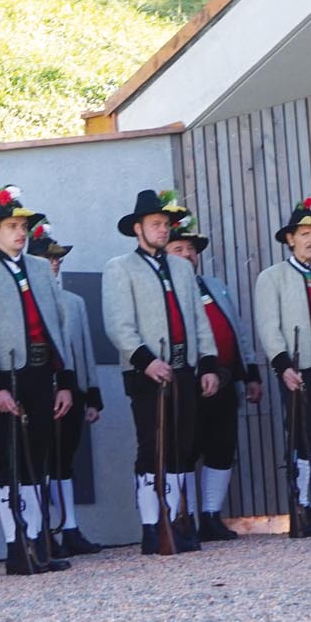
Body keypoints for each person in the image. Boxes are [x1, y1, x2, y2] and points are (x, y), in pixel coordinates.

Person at [0, 187, 75, 575]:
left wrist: (65, 380)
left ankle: (38, 539)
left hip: (43, 372)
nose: (20, 232)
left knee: (37, 458)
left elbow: (59, 325)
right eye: (12, 226)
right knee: (10, 457)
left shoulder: (41, 269)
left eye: (24, 226)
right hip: (8, 375)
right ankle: (15, 545)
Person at [101, 187, 220, 553]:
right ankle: (153, 526)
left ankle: (179, 519)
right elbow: (118, 324)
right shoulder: (120, 268)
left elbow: (199, 320)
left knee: (182, 447)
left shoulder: (182, 267)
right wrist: (146, 361)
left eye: (166, 224)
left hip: (184, 369)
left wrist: (208, 363)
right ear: (138, 228)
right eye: (155, 224)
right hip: (147, 372)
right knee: (153, 447)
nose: (163, 230)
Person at [252, 199, 311, 537]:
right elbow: (268, 326)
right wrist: (283, 366)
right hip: (299, 369)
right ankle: (303, 508)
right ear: (290, 239)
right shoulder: (272, 278)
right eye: (305, 233)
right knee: (301, 437)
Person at [167, 218, 262, 542]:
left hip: (223, 379)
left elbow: (238, 330)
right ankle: (186, 520)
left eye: (191, 249)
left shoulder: (215, 286)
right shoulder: (165, 291)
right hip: (187, 381)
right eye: (178, 248)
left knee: (222, 447)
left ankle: (210, 515)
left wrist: (250, 373)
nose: (187, 255)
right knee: (187, 449)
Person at [30, 228, 103, 556]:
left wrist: (91, 393)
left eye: (57, 258)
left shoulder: (72, 302)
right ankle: (42, 530)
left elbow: (83, 348)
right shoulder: (28, 302)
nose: (55, 263)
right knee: (40, 461)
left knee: (65, 460)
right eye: (48, 258)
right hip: (40, 390)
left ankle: (70, 527)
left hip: (70, 390)